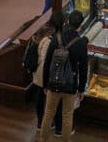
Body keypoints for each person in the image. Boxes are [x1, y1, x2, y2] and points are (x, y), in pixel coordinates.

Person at [39, 9, 88, 142]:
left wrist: (45, 84)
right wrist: (81, 89)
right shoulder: (81, 43)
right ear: (80, 26)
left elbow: (47, 63)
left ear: (67, 21)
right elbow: (83, 68)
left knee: (48, 113)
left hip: (53, 82)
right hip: (70, 85)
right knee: (67, 116)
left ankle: (42, 139)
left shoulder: (56, 38)